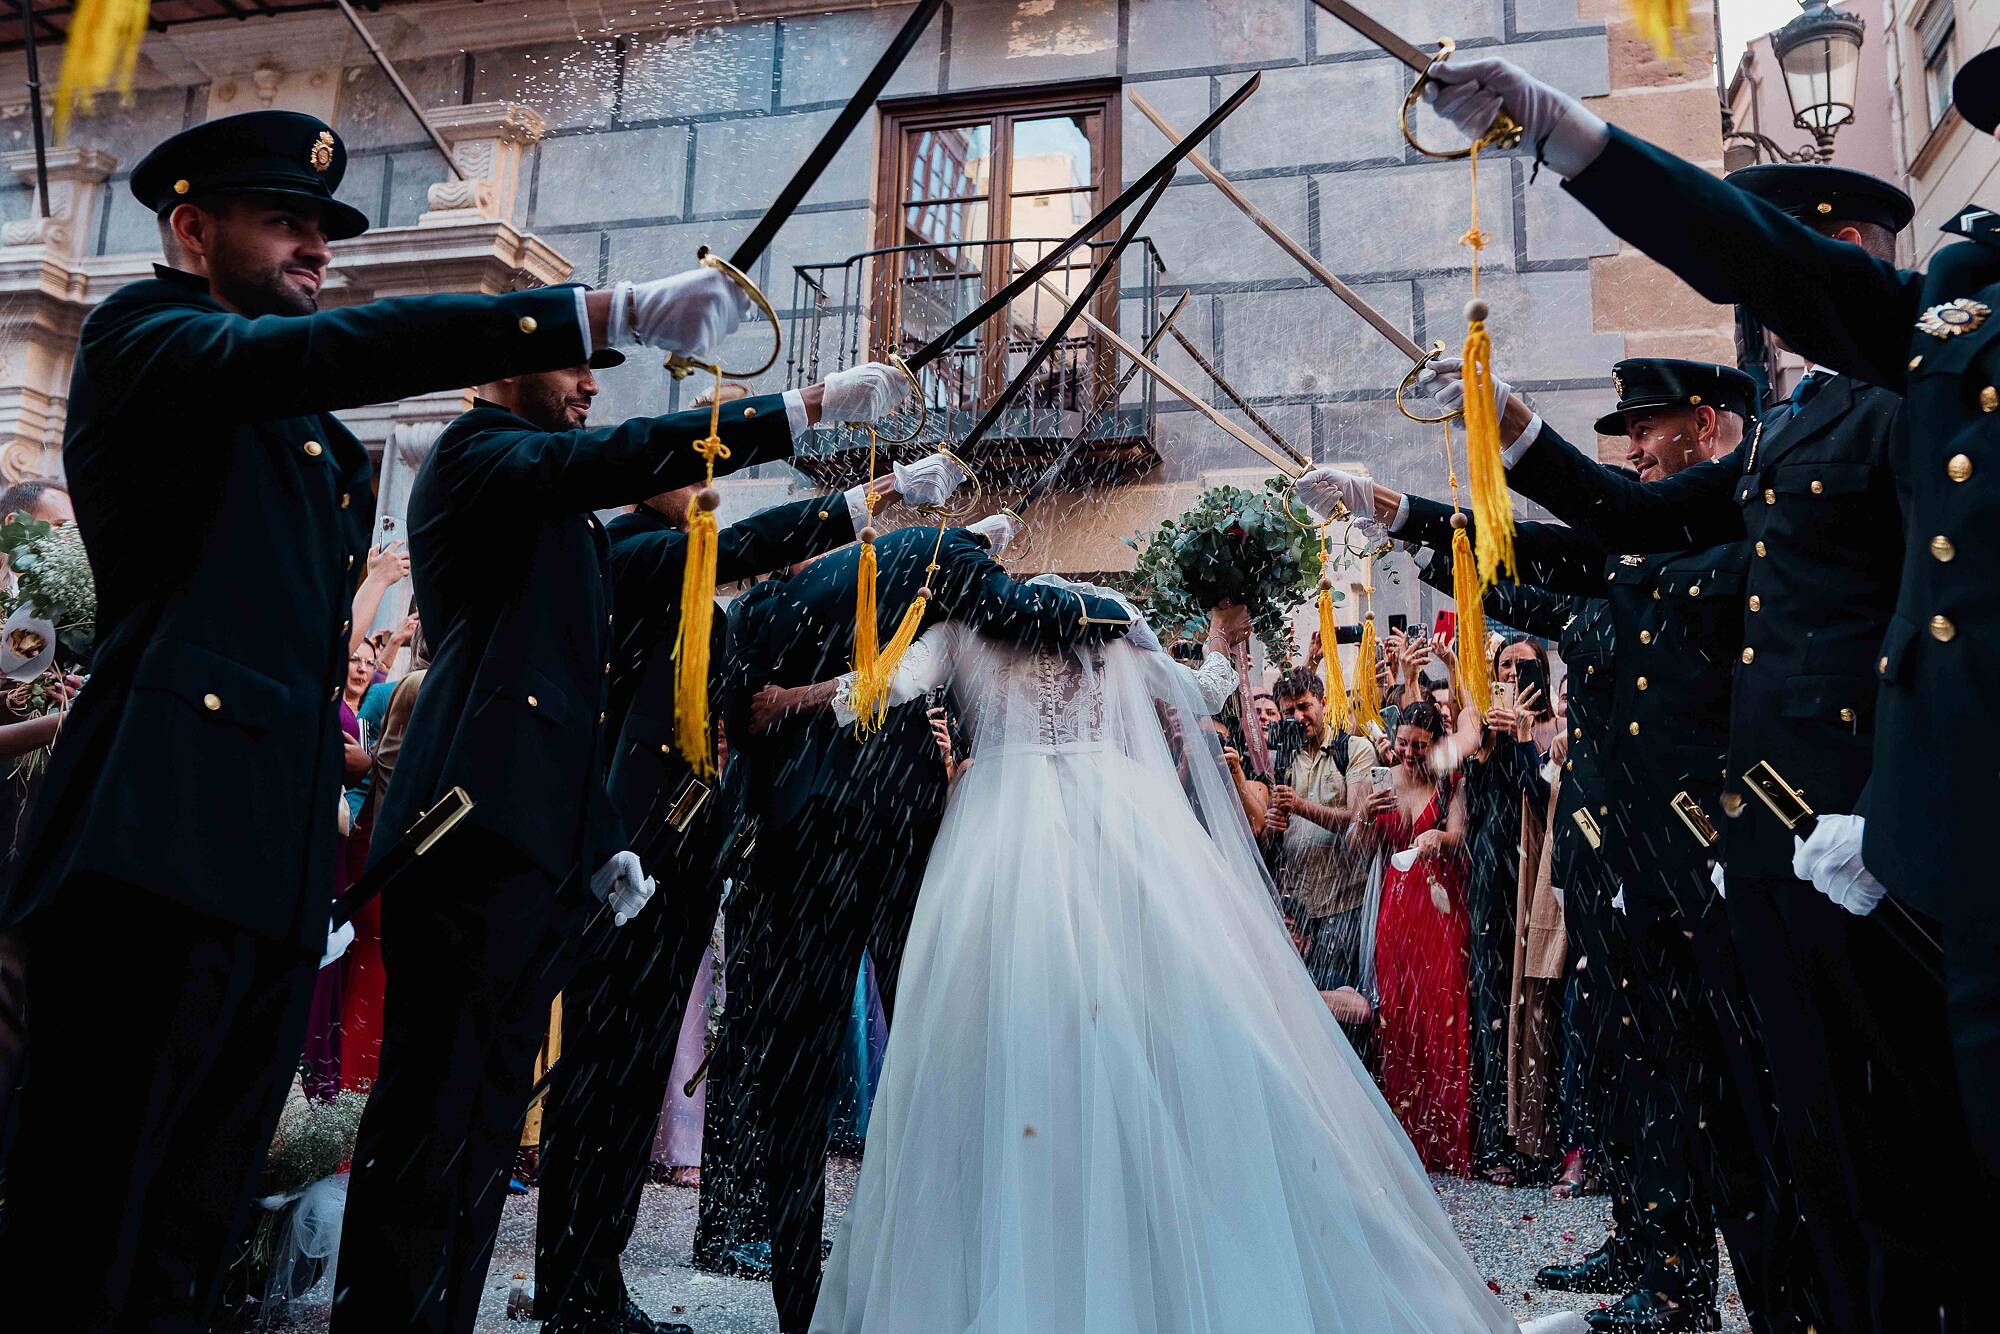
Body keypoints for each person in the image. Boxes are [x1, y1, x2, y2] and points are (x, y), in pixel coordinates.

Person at [0, 107, 749, 1331]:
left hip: (268, 860)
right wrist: (596, 312)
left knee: (196, 1218)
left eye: (323, 231)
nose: (315, 249)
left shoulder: (309, 437)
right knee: (93, 1218)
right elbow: (329, 353)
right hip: (152, 837)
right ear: (192, 230)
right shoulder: (145, 336)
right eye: (283, 221)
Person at [1422, 40, 2000, 1205]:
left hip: (1859, 809)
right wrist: (1556, 130)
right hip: (1925, 837)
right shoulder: (1953, 311)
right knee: (1876, 1159)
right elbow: (1618, 516)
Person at [796, 580, 1581, 1334]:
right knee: (1156, 1031)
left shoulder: (963, 621)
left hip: (1004, 843)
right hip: (1120, 829)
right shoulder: (1111, 626)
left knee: (1006, 1042)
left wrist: (785, 698)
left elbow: (882, 683)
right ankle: (1154, 1248)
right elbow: (1202, 687)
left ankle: (1031, 1252)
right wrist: (1224, 624)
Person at [334, 338, 909, 1330]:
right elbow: (654, 481)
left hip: (559, 848)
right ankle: (415, 1311)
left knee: (480, 1124)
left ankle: (484, 1302)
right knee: (440, 1115)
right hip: (472, 833)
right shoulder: (486, 459)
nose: (592, 386)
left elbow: (605, 681)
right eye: (573, 364)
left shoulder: (589, 538)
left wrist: (598, 840)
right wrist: (812, 415)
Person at [1304, 361, 1801, 1333]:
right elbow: (1530, 560)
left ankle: (1754, 1283)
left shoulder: (1742, 524)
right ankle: (1663, 1259)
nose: (1628, 453)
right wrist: (1396, 511)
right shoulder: (1635, 548)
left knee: (1724, 1087)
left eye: (1642, 432)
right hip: (1628, 855)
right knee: (1648, 1069)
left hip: (1710, 850)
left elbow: (1582, 552)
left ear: (1703, 425)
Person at [533, 438, 969, 1333]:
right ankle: (572, 1285)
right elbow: (749, 556)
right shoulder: (627, 551)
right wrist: (880, 496)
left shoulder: (702, 593)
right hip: (627, 864)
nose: (704, 489)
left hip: (683, 866)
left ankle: (595, 1284)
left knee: (631, 1078)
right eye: (686, 472)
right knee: (598, 1086)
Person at [732, 519, 1142, 1334]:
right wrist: (1105, 606)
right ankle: (951, 1264)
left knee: (828, 1074)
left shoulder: (767, 609)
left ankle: (809, 1291)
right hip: (894, 836)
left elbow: (810, 700)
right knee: (938, 1051)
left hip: (811, 846)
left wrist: (787, 705)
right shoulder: (937, 560)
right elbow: (1013, 616)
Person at [1346, 701, 1473, 1175]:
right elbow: (1359, 849)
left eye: (1419, 746)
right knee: (1399, 1015)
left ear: (1435, 745)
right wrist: (1362, 815)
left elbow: (1460, 835)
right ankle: (1407, 1137)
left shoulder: (1449, 780)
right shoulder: (1382, 779)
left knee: (1442, 1010)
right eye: (1403, 743)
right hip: (1396, 912)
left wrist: (1440, 838)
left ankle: (1444, 1138)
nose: (1408, 753)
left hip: (1440, 910)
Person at [1264, 667, 1379, 994]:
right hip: (1295, 909)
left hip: (1341, 904)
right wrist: (1273, 826)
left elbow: (1356, 818)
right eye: (1289, 711)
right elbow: (1271, 833)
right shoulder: (1282, 756)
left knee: (1333, 1005)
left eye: (1304, 706)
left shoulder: (1354, 750)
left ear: (1324, 703)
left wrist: (1299, 806)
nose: (1298, 717)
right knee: (1296, 1005)